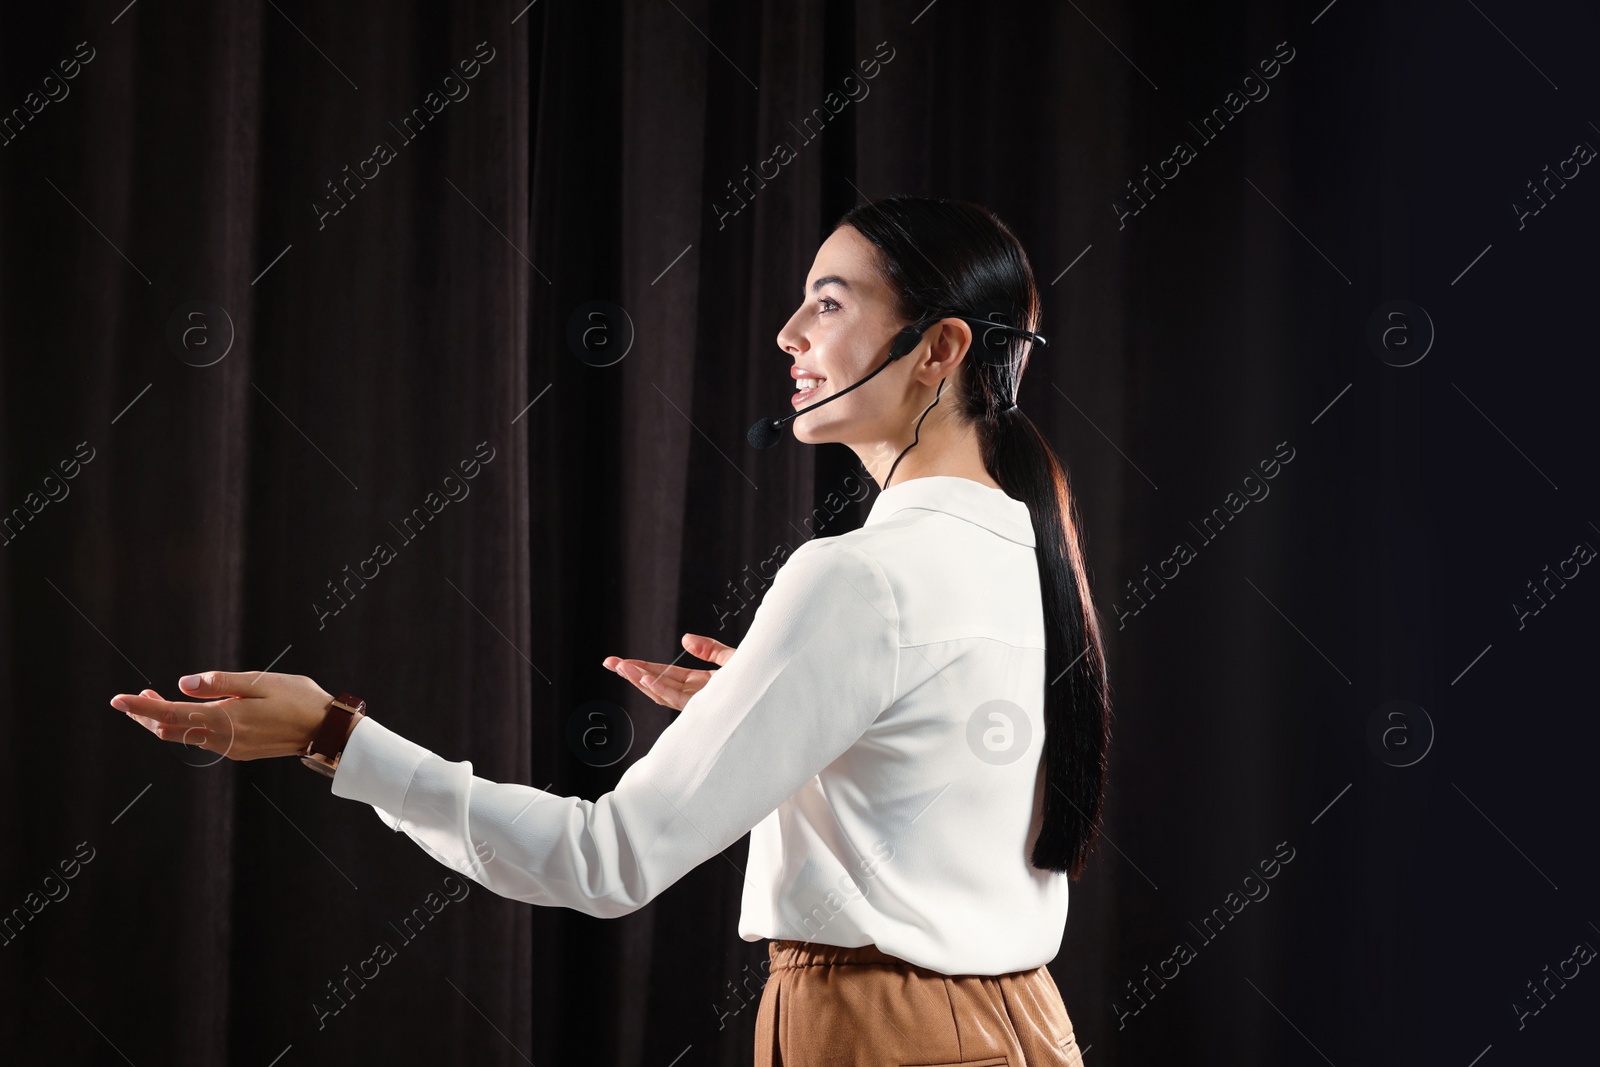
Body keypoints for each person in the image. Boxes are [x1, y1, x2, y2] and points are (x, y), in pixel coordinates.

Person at [109, 195, 1110, 1066]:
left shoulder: (855, 576)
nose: (789, 332)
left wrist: (331, 735)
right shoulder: (1030, 544)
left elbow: (601, 862)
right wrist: (786, 723)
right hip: (1026, 1019)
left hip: (885, 1033)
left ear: (940, 346)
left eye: (832, 302)